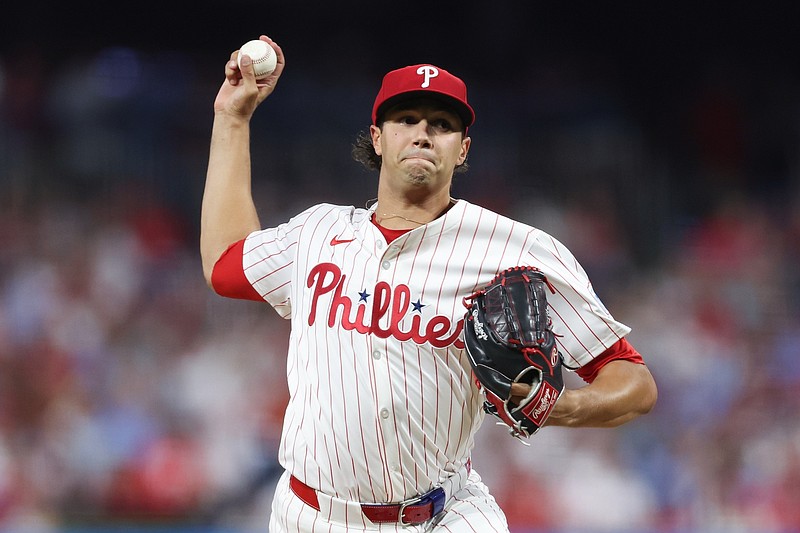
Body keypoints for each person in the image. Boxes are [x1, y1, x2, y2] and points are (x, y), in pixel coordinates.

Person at [200, 34, 658, 533]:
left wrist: (561, 406)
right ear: (378, 138)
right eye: (406, 120)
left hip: (443, 514)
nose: (422, 134)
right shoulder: (317, 232)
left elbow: (633, 382)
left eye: (441, 125)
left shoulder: (515, 250)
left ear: (462, 149)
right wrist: (232, 117)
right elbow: (225, 265)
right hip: (312, 515)